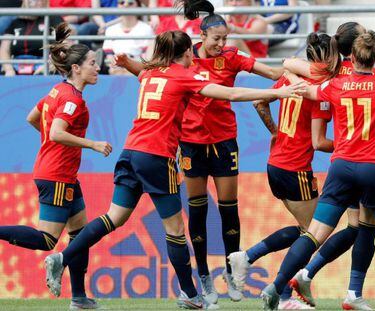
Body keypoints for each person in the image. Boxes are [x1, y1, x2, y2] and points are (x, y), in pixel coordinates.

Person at [43, 30, 306, 309]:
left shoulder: (149, 74)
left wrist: (129, 62)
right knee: (176, 230)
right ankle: (191, 296)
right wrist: (277, 91)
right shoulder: (183, 76)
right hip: (157, 157)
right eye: (191, 52)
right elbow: (230, 92)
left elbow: (143, 71)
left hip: (130, 153)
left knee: (114, 217)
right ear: (186, 54)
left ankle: (63, 256)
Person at [260, 30, 375, 311]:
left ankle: (277, 284)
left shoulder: (337, 84)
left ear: (351, 58)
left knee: (314, 233)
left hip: (342, 168)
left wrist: (291, 77)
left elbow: (304, 87)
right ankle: (351, 291)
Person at [175, 0, 302, 303]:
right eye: (216, 38)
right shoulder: (185, 58)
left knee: (228, 207)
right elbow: (155, 71)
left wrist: (298, 73)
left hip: (224, 140)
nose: (221, 44)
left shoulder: (232, 56)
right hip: (191, 141)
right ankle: (204, 275)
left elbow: (271, 74)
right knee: (197, 209)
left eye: (225, 38)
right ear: (201, 36)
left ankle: (232, 273)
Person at [0, 22, 111, 310]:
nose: (96, 68)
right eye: (91, 64)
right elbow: (58, 131)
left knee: (80, 233)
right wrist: (94, 144)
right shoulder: (73, 99)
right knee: (48, 240)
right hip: (57, 175)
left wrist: (51, 145)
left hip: (60, 173)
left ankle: (79, 298)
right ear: (76, 68)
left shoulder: (56, 91)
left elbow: (32, 117)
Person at [227, 32, 339, 310]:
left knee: (306, 231)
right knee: (314, 234)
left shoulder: (291, 79)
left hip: (275, 163)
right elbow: (319, 142)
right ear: (325, 57)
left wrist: (276, 132)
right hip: (296, 167)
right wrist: (349, 144)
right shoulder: (319, 91)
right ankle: (284, 296)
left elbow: (259, 102)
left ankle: (248, 257)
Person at [0, 0, 63, 76]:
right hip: (15, 65)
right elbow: (4, 49)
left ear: (45, 2)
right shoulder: (16, 22)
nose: (32, 2)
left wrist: (48, 65)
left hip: (43, 64)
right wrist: (8, 69)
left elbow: (64, 44)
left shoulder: (53, 19)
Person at [102, 0, 154, 75]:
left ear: (138, 7)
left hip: (138, 68)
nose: (125, 5)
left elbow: (147, 56)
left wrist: (130, 66)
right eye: (121, 3)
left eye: (130, 3)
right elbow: (109, 54)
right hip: (116, 68)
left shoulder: (146, 28)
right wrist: (116, 66)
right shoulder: (110, 29)